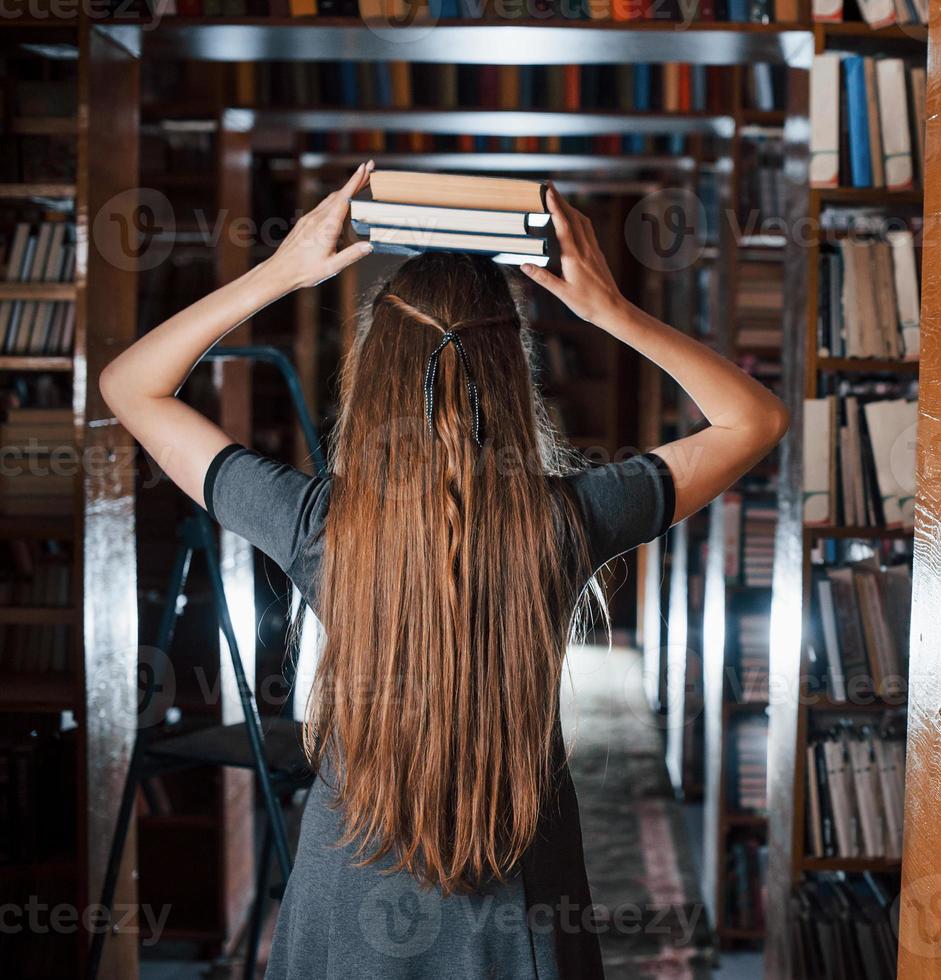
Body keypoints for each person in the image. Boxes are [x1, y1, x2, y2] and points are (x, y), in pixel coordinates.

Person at [100, 161, 789, 978]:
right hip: (522, 907)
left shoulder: (317, 521)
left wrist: (281, 270)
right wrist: (613, 311)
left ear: (373, 372)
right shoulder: (569, 517)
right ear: (513, 376)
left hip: (346, 895)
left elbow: (132, 386)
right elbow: (754, 417)